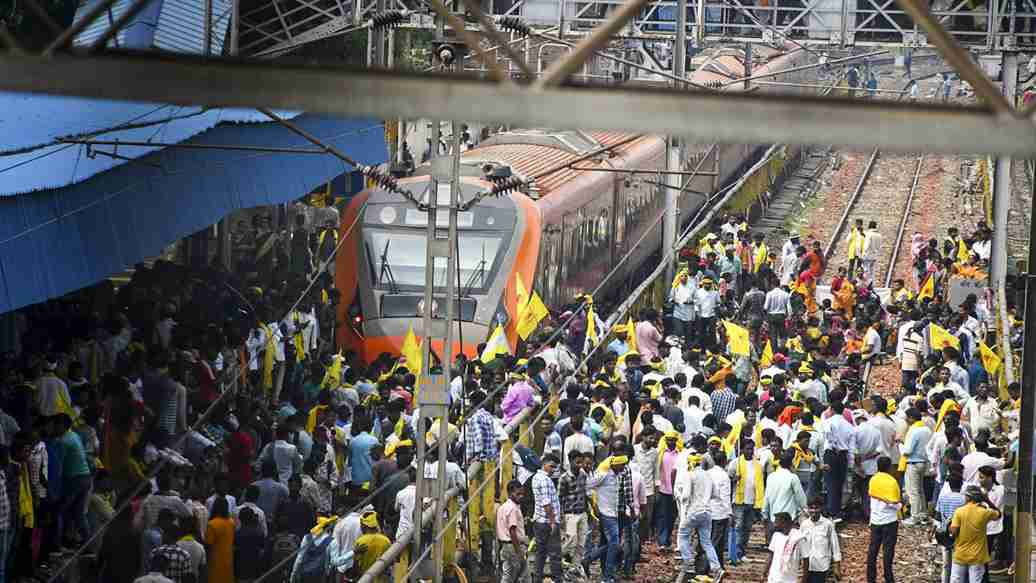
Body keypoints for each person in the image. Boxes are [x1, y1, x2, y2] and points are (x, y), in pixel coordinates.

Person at [675, 453, 720, 578]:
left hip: (694, 511)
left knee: (683, 536)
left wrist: (680, 497)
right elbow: (716, 494)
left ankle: (688, 562)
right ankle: (717, 568)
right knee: (706, 542)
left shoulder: (690, 475)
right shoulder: (708, 476)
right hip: (707, 512)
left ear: (691, 463)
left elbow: (686, 496)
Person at [949, 485, 1002, 583]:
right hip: (977, 556)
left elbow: (954, 532)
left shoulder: (959, 511)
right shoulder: (984, 512)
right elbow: (998, 514)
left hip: (960, 554)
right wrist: (987, 501)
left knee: (956, 580)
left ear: (968, 497)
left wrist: (950, 527)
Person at [866, 456, 902, 583]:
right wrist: (902, 504)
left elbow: (873, 499)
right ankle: (888, 578)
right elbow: (894, 504)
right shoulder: (892, 482)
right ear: (889, 467)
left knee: (873, 551)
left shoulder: (873, 480)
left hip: (875, 521)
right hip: (890, 521)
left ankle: (870, 578)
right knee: (888, 552)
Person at [531, 454, 562, 583]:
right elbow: (546, 503)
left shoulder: (537, 477)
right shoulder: (544, 480)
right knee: (554, 554)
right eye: (551, 466)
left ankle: (537, 579)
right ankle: (557, 579)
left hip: (540, 521)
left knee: (541, 553)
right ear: (544, 464)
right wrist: (553, 521)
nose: (553, 469)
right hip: (547, 522)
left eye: (555, 467)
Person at [558, 451, 589, 577]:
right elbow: (559, 498)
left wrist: (588, 511)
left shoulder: (583, 475)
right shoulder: (564, 478)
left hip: (582, 513)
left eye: (581, 462)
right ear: (570, 462)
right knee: (571, 540)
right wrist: (561, 516)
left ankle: (574, 567)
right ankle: (555, 559)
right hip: (570, 514)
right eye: (577, 462)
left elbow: (585, 494)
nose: (580, 465)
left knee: (581, 543)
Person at [800, 498, 841, 583]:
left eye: (816, 508)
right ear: (808, 509)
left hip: (821, 566)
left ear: (821, 508)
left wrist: (837, 567)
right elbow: (800, 545)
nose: (814, 510)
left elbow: (835, 546)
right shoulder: (804, 525)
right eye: (811, 508)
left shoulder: (828, 524)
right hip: (806, 566)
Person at [498, 480, 528, 583]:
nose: (521, 496)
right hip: (513, 546)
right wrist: (518, 551)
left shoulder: (502, 507)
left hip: (505, 546)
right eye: (518, 494)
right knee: (522, 576)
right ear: (511, 493)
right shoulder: (513, 508)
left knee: (507, 575)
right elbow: (512, 531)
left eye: (522, 494)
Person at [764, 512, 804, 583]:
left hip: (789, 579)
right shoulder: (776, 536)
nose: (774, 524)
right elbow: (770, 556)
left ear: (784, 523)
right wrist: (764, 572)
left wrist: (804, 578)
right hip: (774, 577)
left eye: (776, 522)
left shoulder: (798, 537)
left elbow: (805, 559)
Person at [352, 511, 391, 583]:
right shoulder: (386, 540)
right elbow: (391, 563)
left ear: (364, 525)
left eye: (361, 525)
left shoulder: (361, 542)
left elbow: (355, 570)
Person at [205, 496, 235, 583]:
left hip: (215, 561)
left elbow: (208, 545)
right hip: (228, 559)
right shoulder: (231, 522)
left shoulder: (212, 524)